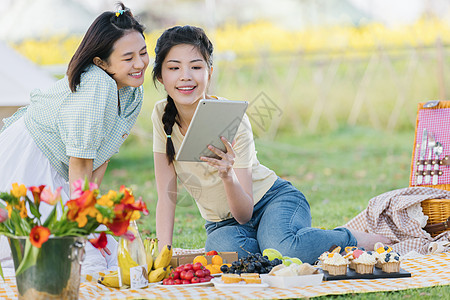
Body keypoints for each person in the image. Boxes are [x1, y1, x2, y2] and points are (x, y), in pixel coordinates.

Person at [151, 25, 390, 264]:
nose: (185, 76)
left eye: (196, 66)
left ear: (209, 72)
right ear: (160, 75)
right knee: (224, 255)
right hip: (223, 223)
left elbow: (244, 213)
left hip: (272, 201)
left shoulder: (232, 118)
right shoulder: (161, 116)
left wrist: (227, 175)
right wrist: (164, 256)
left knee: (285, 251)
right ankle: (282, 241)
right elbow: (167, 195)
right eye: (174, 68)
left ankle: (347, 239)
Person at [0, 2, 149, 274]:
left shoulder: (131, 92)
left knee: (103, 253)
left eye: (143, 53)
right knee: (49, 255)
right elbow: (80, 162)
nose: (139, 64)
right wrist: (82, 222)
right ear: (101, 62)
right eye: (128, 58)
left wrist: (90, 214)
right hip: (32, 158)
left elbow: (101, 153)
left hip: (65, 168)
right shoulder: (96, 86)